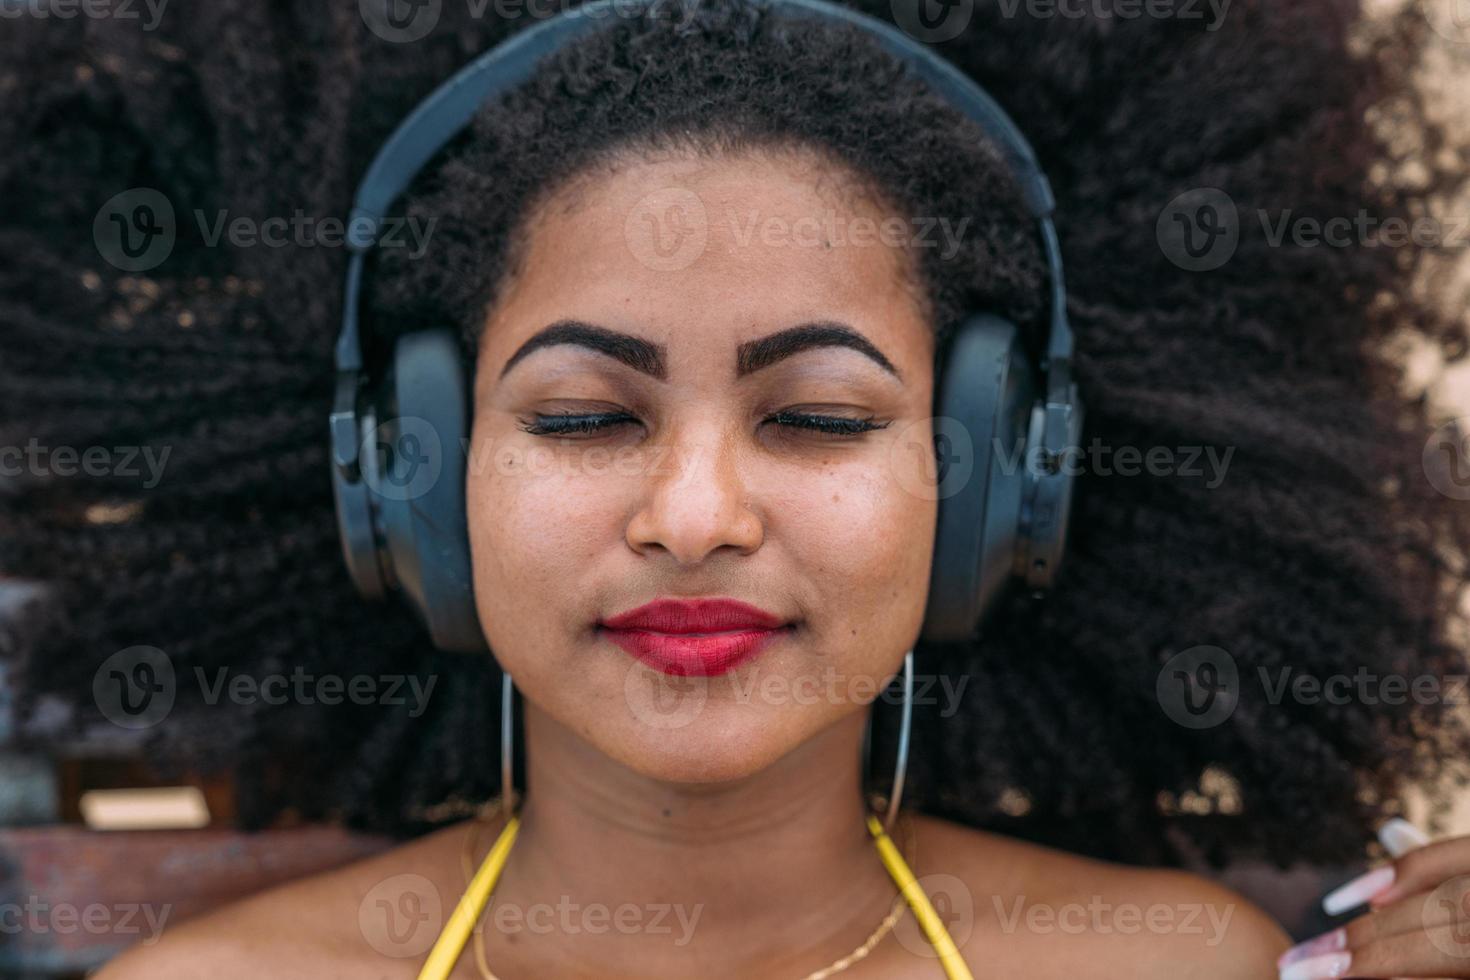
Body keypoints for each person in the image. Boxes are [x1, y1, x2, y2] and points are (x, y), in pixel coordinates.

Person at [6, 0, 1468, 976]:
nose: (695, 514)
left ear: (999, 479)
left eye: (820, 417)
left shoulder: (1177, 969)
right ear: (410, 475)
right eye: (582, 417)